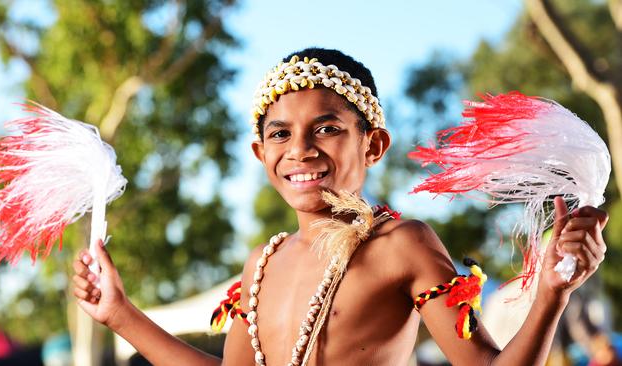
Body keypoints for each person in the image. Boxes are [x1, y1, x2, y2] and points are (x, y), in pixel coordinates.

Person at [72, 47, 609, 365]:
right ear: (262, 154)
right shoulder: (262, 263)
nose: (301, 149)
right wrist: (119, 314)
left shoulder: (402, 246)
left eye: (326, 129)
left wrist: (550, 297)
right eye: (280, 134)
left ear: (373, 145)